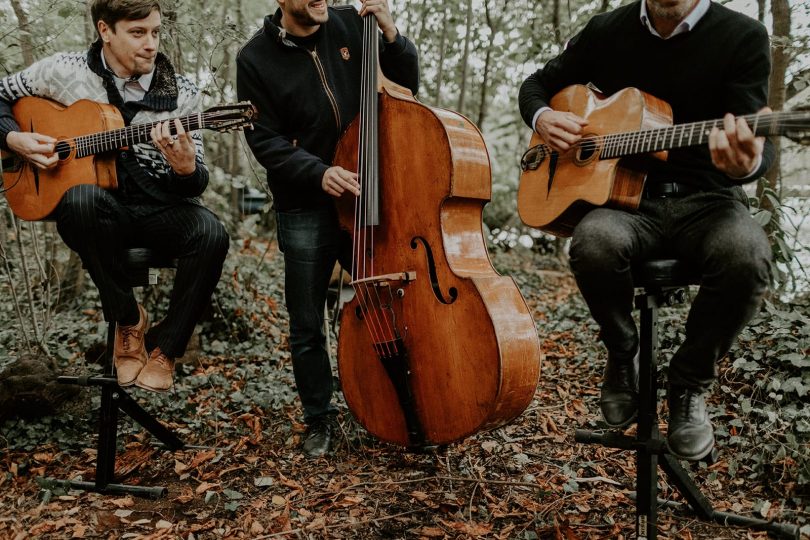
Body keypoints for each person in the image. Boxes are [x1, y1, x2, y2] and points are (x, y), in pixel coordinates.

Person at [519, 0, 773, 460]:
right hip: (627, 202)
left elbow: (756, 141)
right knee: (593, 242)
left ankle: (689, 384)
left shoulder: (743, 37)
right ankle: (622, 354)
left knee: (748, 255)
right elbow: (536, 84)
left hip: (708, 200)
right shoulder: (606, 30)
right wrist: (544, 117)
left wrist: (747, 162)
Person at [0, 0, 229, 392]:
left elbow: (196, 184)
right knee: (79, 199)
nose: (151, 44)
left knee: (212, 233)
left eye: (155, 32)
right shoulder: (63, 70)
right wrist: (13, 137)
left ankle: (166, 350)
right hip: (100, 213)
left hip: (159, 209)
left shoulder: (183, 95)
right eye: (138, 33)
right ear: (105, 30)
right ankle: (127, 318)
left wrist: (185, 168)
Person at [236, 0, 419, 457]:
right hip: (305, 204)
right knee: (306, 323)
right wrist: (316, 172)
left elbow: (406, 85)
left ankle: (410, 404)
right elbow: (264, 138)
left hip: (369, 190)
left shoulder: (350, 24)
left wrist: (392, 36)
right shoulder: (254, 58)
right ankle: (319, 418)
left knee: (394, 300)